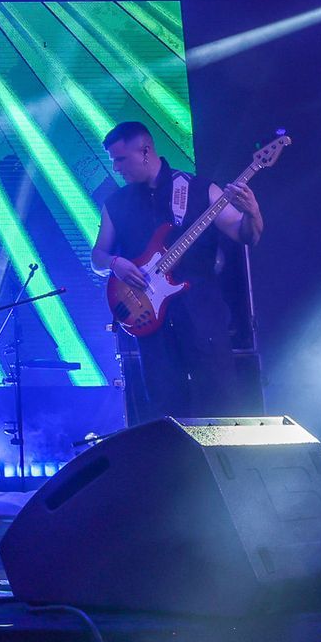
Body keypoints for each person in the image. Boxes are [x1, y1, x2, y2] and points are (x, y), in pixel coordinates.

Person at [90, 121, 263, 420]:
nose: (116, 168)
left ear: (145, 151)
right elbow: (97, 257)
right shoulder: (116, 204)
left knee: (220, 405)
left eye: (121, 159)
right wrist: (115, 263)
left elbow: (246, 234)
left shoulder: (199, 189)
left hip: (202, 319)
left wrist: (253, 212)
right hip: (150, 324)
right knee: (164, 411)